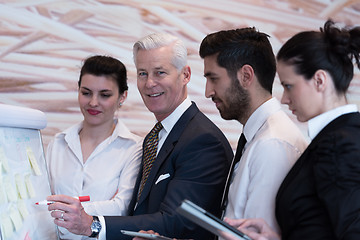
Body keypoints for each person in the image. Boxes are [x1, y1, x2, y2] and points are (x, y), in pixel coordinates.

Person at [47, 33, 233, 240]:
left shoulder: (203, 140)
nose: (149, 83)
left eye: (160, 73)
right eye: (143, 73)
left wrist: (94, 224)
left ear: (185, 75)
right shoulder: (155, 137)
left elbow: (176, 221)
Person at [224, 20, 360, 240]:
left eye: (288, 86)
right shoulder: (334, 138)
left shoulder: (340, 143)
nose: (284, 99)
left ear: (319, 80)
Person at [198, 27, 308, 236]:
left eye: (214, 78)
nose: (208, 92)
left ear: (246, 76)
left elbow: (256, 235)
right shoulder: (260, 138)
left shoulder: (272, 145)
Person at [46, 55, 143, 239]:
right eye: (86, 92)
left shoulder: (134, 148)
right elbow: (42, 202)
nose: (93, 102)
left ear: (122, 96)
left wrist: (69, 209)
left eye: (104, 95)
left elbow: (122, 207)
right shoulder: (58, 143)